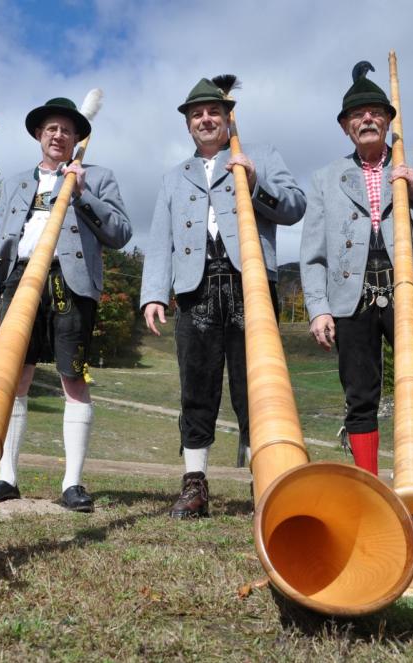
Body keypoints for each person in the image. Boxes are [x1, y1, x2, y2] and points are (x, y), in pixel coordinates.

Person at [299, 63, 413, 504]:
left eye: (375, 112)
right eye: (357, 115)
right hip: (351, 301)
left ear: (390, 120)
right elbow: (313, 253)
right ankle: (368, 501)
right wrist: (318, 307)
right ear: (345, 127)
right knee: (360, 397)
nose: (367, 120)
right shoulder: (324, 179)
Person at [140, 77, 306, 518]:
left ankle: (264, 482)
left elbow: (295, 207)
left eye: (213, 112)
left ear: (228, 117)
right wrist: (154, 293)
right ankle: (194, 487)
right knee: (196, 387)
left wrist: (254, 181)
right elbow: (159, 240)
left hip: (250, 282)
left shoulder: (262, 156)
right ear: (188, 125)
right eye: (197, 115)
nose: (205, 120)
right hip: (194, 289)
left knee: (256, 388)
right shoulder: (174, 177)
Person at [0, 97, 132, 512]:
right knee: (16, 378)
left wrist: (81, 194)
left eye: (67, 129)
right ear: (38, 134)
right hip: (19, 279)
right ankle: (7, 477)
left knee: (73, 379)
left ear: (77, 137)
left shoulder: (98, 177)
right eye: (51, 129)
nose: (58, 135)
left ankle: (72, 484)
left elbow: (121, 233)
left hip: (72, 282)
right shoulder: (14, 183)